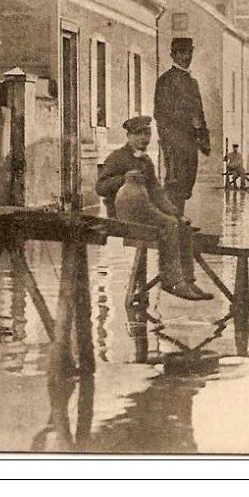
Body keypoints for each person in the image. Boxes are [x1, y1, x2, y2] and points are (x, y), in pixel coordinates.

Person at [96, 116, 213, 301]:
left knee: (182, 226)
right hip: (121, 215)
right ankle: (171, 280)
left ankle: (187, 281)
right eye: (139, 134)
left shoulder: (146, 161)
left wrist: (176, 213)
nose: (144, 138)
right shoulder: (117, 158)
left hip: (143, 210)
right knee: (170, 225)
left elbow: (157, 192)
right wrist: (123, 179)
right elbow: (100, 187)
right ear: (128, 136)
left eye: (147, 133)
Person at [154, 37, 209, 216]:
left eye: (189, 52)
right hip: (174, 141)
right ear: (173, 55)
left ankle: (178, 221)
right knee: (174, 183)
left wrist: (203, 137)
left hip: (190, 143)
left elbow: (199, 113)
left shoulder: (193, 82)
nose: (186, 56)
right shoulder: (165, 81)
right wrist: (170, 141)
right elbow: (160, 114)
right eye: (181, 52)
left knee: (186, 184)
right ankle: (172, 224)